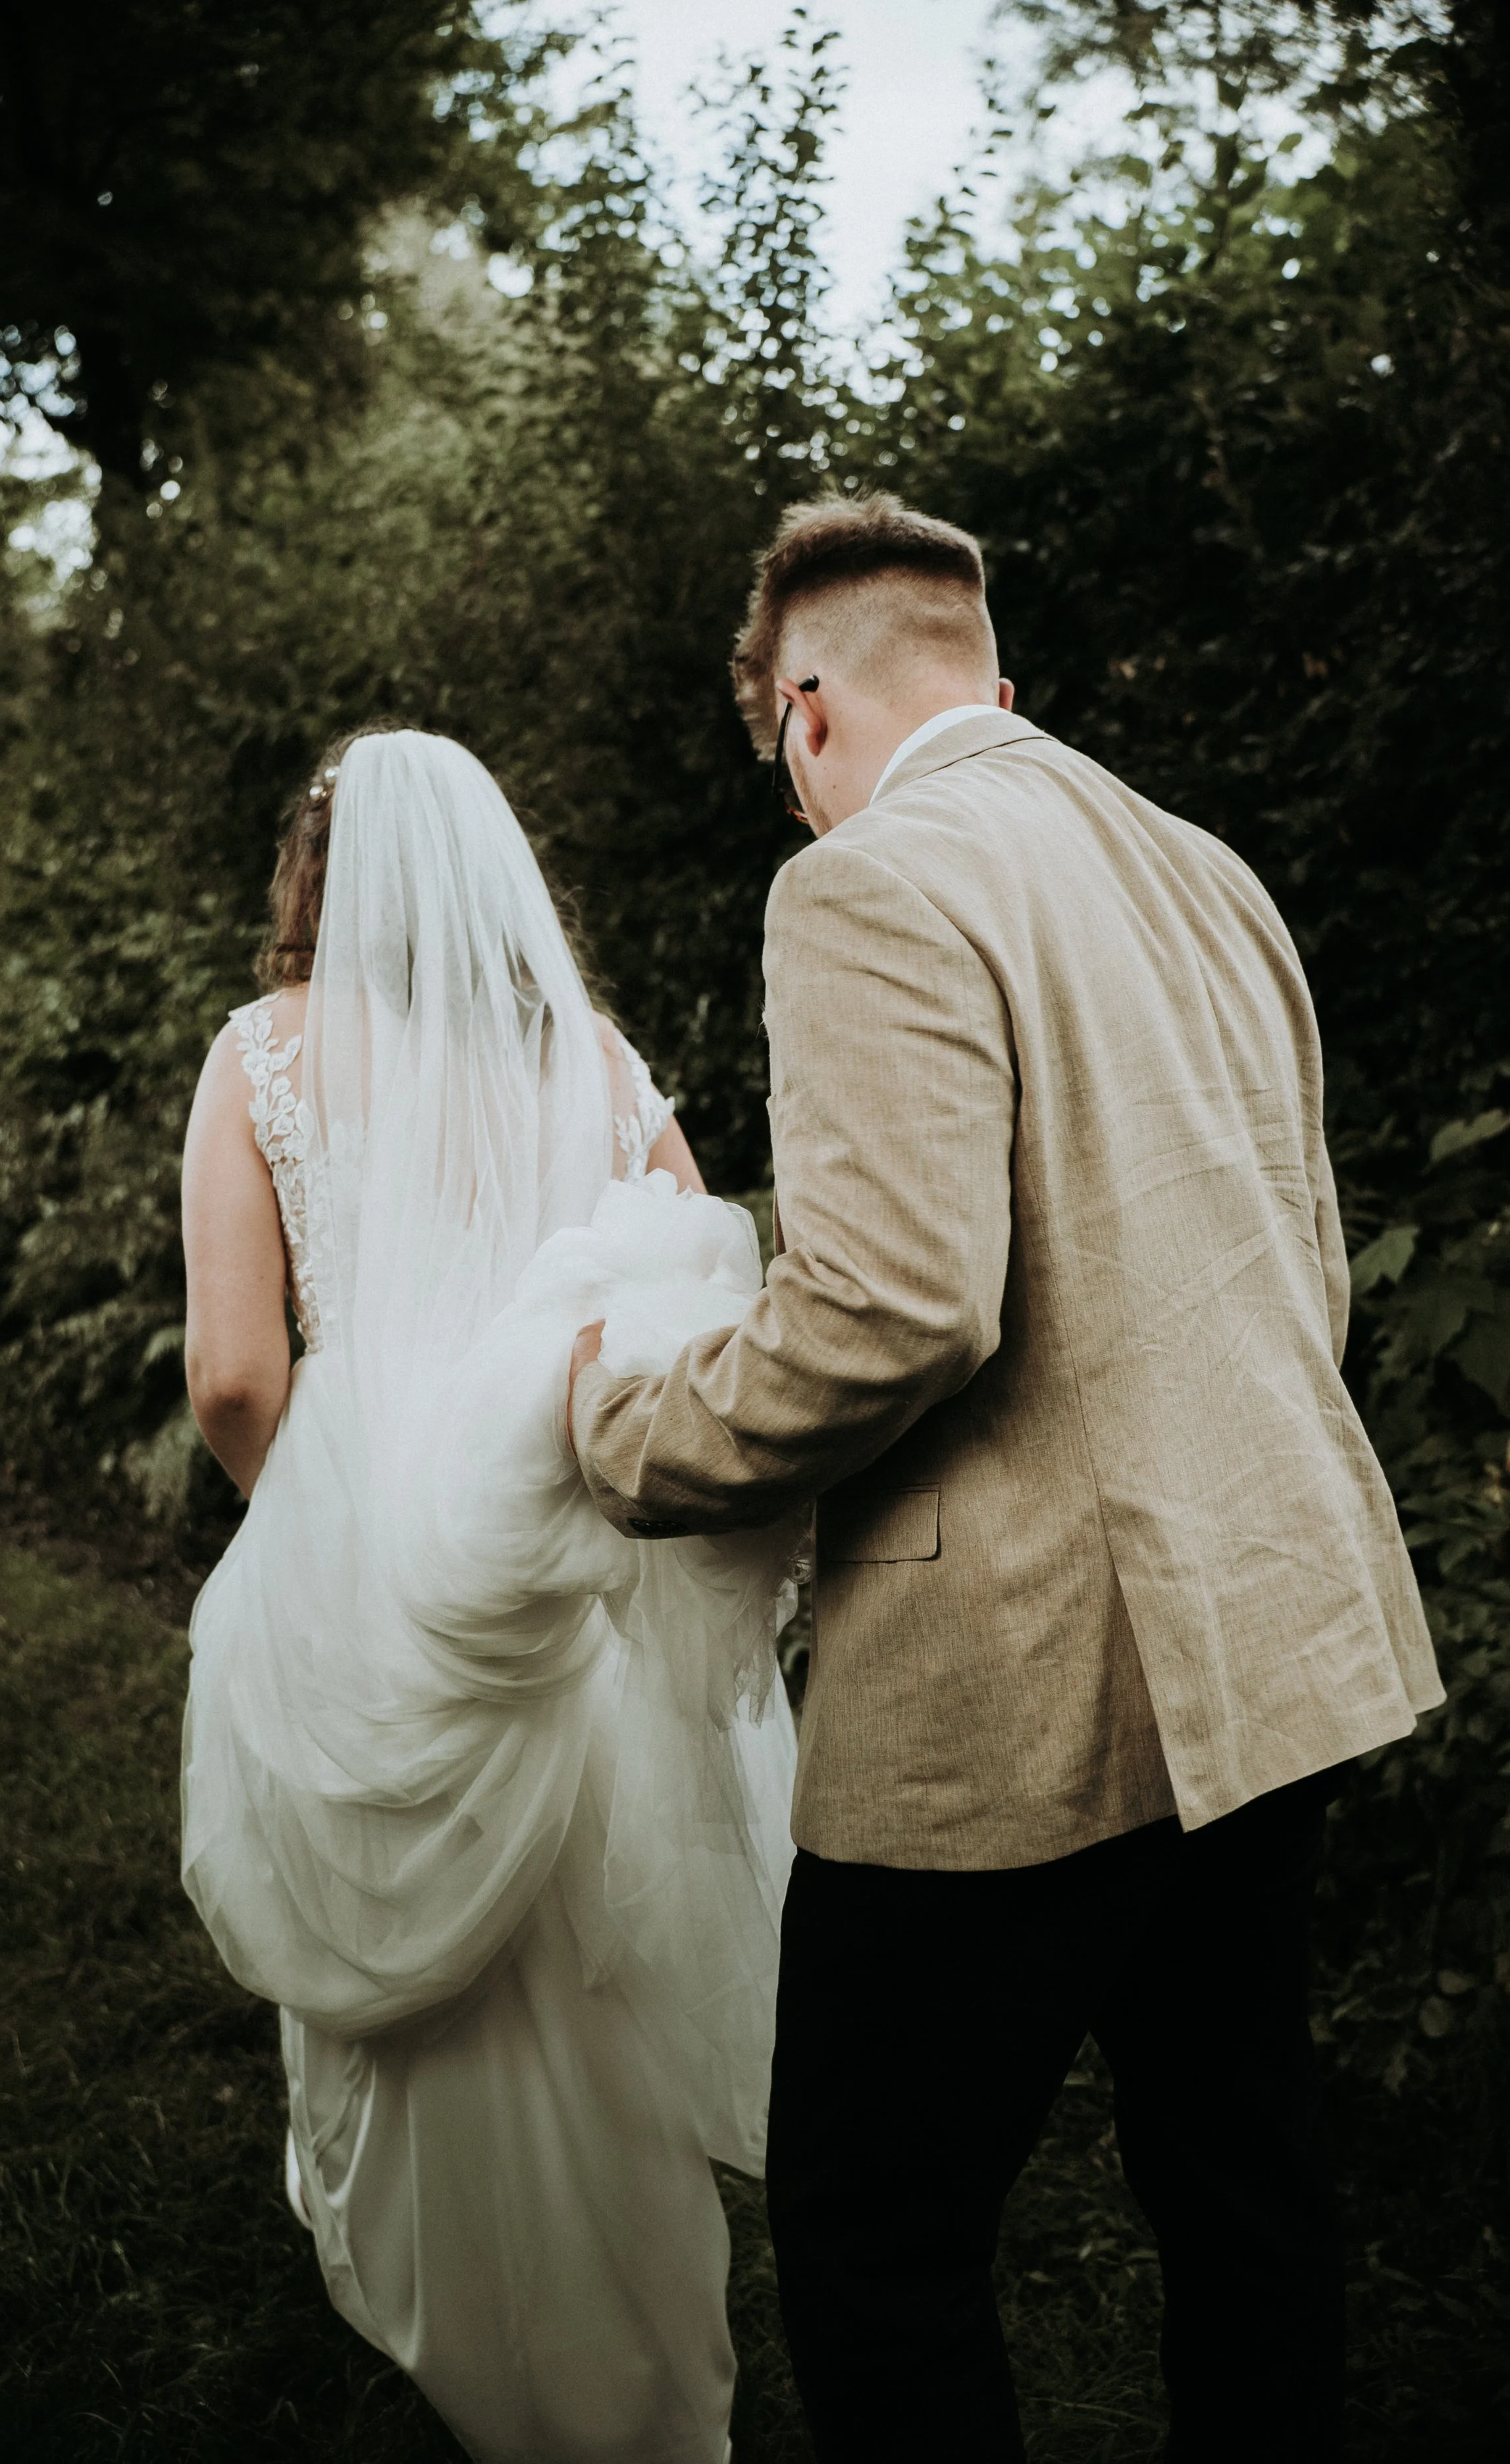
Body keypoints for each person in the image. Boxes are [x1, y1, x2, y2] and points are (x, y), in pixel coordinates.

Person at [566, 492, 1444, 2461]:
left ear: (804, 714)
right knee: (1244, 2190)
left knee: (880, 2237)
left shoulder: (866, 880)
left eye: (778, 761)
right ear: (989, 678)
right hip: (1269, 1633)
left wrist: (631, 1430)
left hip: (1016, 1688)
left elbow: (892, 1310)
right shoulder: (1200, 866)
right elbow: (1297, 1254)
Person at [178, 725, 798, 2464]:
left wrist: (308, 1528)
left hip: (373, 1538)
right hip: (571, 1551)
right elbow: (699, 1288)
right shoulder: (597, 1060)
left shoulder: (262, 1053)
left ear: (313, 879)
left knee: (410, 1923)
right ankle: (645, 2369)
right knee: (588, 1941)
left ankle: (457, 2325)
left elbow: (233, 1377)